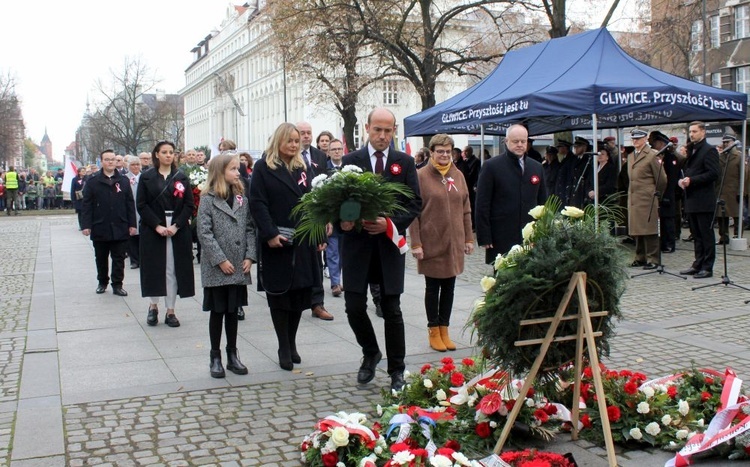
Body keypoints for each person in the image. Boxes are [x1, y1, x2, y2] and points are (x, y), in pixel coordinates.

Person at [340, 107, 422, 391]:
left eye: (388, 131)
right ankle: (370, 352)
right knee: (353, 307)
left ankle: (397, 369)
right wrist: (346, 222)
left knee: (391, 309)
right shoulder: (350, 161)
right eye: (378, 130)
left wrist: (388, 223)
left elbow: (414, 203)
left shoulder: (405, 162)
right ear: (367, 128)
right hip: (357, 248)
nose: (383, 136)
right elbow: (342, 199)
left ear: (394, 131)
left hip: (388, 247)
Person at [250, 123, 322, 371]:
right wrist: (269, 233)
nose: (294, 145)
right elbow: (257, 202)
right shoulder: (263, 167)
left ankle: (291, 343)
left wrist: (319, 231)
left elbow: (314, 201)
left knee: (300, 295)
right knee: (281, 296)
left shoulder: (304, 168)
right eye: (289, 140)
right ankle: (283, 345)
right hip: (278, 241)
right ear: (278, 141)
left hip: (303, 240)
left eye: (296, 141)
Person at [408, 134, 473, 352]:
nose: (444, 155)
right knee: (432, 287)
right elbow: (414, 213)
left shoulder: (459, 175)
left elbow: (466, 209)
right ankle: (433, 330)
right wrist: (416, 243)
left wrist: (468, 238)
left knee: (449, 287)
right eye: (440, 151)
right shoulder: (420, 176)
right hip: (431, 241)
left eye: (448, 151)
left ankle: (445, 329)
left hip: (454, 242)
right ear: (432, 152)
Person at [197, 153, 257, 378]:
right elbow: (204, 232)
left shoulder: (242, 198)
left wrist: (250, 256)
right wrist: (220, 260)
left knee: (233, 311)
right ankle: (215, 355)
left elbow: (250, 228)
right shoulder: (207, 199)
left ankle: (233, 354)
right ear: (220, 172)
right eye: (233, 169)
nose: (237, 172)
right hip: (217, 268)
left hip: (238, 265)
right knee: (218, 311)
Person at [137, 141, 196, 327]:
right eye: (164, 152)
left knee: (172, 269)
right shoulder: (146, 177)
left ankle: (171, 310)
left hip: (176, 227)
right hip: (154, 227)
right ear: (157, 155)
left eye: (171, 152)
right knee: (155, 267)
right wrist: (157, 226)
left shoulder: (181, 177)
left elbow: (189, 205)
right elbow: (141, 205)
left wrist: (177, 225)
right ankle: (153, 306)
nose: (168, 155)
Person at [475, 124, 546, 263]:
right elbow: (482, 204)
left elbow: (543, 202)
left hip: (529, 235)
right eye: (515, 141)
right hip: (501, 234)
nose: (519, 145)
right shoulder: (491, 166)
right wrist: (484, 236)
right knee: (503, 278)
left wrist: (543, 231)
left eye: (523, 141)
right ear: (506, 141)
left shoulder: (536, 167)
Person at [80, 149, 137, 296]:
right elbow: (86, 205)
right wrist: (86, 225)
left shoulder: (123, 181)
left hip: (120, 225)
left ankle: (117, 284)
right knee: (101, 257)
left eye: (112, 159)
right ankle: (102, 282)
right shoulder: (93, 181)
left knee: (119, 258)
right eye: (107, 159)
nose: (110, 162)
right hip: (100, 225)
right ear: (102, 162)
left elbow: (130, 204)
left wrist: (132, 224)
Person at [297, 121, 333, 320]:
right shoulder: (290, 155)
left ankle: (317, 303)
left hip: (317, 214)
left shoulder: (319, 156)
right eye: (302, 133)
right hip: (297, 216)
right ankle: (298, 299)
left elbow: (325, 187)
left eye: (308, 133)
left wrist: (328, 217)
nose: (306, 136)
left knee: (317, 259)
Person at [678, 122, 721, 278]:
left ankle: (707, 267)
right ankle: (698, 263)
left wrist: (692, 180)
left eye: (695, 131)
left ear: (703, 132)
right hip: (691, 199)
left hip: (704, 200)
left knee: (706, 234)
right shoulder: (692, 150)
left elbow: (713, 174)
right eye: (690, 131)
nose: (691, 134)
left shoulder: (709, 150)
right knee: (696, 234)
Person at [627, 129, 667, 270]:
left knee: (649, 229)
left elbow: (661, 179)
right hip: (634, 197)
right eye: (633, 139)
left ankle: (653, 258)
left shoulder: (652, 155)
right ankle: (640, 257)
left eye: (638, 139)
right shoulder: (631, 155)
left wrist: (656, 194)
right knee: (637, 229)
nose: (635, 141)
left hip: (647, 197)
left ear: (645, 139)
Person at [649, 131, 681, 253]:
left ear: (662, 143)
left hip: (668, 194)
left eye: (655, 143)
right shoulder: (658, 157)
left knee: (668, 220)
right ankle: (663, 242)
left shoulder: (670, 158)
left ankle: (669, 244)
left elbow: (671, 179)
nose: (653, 145)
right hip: (660, 194)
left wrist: (667, 195)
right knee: (661, 220)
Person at [325, 139, 345, 297]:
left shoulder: (349, 168)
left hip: (347, 217)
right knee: (332, 252)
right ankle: (335, 283)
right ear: (329, 152)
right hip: (331, 218)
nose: (337, 151)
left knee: (344, 252)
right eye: (334, 149)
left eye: (339, 149)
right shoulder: (324, 170)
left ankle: (341, 279)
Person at [715, 134, 742, 245]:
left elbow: (743, 176)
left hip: (734, 190)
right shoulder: (720, 156)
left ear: (734, 142)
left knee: (736, 215)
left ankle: (737, 235)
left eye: (728, 142)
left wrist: (741, 191)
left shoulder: (739, 156)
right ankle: (723, 237)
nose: (726, 144)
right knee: (722, 215)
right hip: (721, 190)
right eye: (724, 142)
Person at [125, 155, 142, 269]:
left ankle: (143, 259)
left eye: (137, 164)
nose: (135, 167)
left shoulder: (145, 177)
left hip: (141, 209)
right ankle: (134, 260)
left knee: (142, 235)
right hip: (130, 209)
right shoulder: (125, 178)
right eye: (133, 165)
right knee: (132, 235)